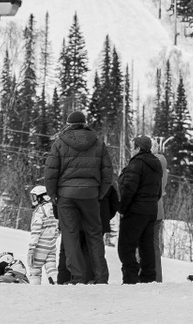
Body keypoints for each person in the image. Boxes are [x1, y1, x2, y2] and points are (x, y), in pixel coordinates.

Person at [41, 108, 115, 284]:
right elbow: (108, 173)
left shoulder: (60, 143)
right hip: (90, 194)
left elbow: (50, 173)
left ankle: (78, 277)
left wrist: (53, 195)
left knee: (70, 235)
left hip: (66, 196)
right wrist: (98, 194)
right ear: (84, 124)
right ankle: (101, 277)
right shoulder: (98, 143)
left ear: (68, 125)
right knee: (95, 235)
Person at [116, 135, 165, 285]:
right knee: (146, 245)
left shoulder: (136, 163)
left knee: (126, 246)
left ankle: (130, 277)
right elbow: (158, 190)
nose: (131, 150)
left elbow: (128, 189)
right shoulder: (156, 163)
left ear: (138, 148)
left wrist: (122, 208)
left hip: (135, 210)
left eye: (132, 147)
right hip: (151, 209)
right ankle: (148, 277)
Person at [26, 185, 59, 285]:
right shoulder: (55, 209)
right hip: (51, 245)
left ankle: (35, 288)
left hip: (40, 246)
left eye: (34, 197)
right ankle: (55, 283)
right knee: (51, 267)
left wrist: (32, 248)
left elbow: (36, 230)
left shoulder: (40, 210)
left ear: (42, 197)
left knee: (34, 268)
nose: (33, 200)